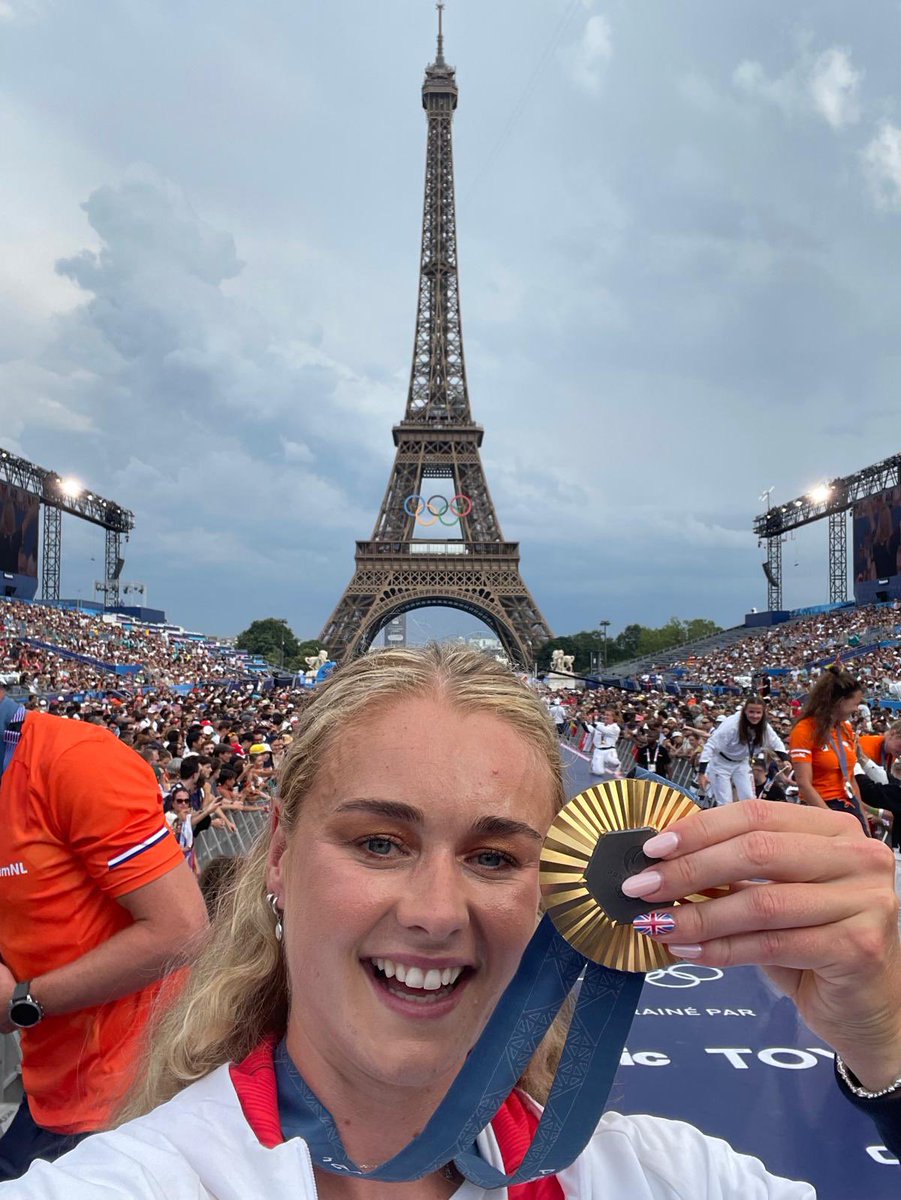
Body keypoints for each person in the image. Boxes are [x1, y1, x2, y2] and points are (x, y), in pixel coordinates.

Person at [2, 645, 900, 1198]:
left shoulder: (664, 1181)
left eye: (495, 857)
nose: (434, 913)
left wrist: (890, 1049)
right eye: (380, 843)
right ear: (278, 855)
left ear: (559, 889)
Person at [0, 704, 208, 1181]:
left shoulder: (74, 759)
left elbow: (181, 930)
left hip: (127, 1098)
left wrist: (22, 1002)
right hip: (50, 1088)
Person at [788, 666, 870, 835]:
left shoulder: (845, 728)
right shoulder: (805, 730)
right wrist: (830, 819)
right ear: (839, 701)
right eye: (854, 704)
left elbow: (850, 777)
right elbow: (804, 783)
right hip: (822, 807)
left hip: (848, 803)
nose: (856, 709)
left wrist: (862, 813)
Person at [697, 698, 788, 806]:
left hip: (741, 762)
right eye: (751, 712)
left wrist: (785, 759)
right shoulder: (731, 725)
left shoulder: (764, 727)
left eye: (758, 712)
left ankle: (748, 822)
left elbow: (775, 742)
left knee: (748, 797)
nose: (755, 716)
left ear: (763, 713)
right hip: (721, 762)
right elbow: (711, 744)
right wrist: (702, 772)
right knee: (725, 801)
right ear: (745, 711)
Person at [588, 706, 621, 777]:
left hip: (610, 750)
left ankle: (615, 764)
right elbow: (588, 729)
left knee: (614, 762)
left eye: (608, 715)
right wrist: (584, 722)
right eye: (605, 715)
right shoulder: (599, 724)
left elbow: (605, 731)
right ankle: (594, 763)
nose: (605, 717)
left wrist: (592, 723)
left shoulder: (616, 728)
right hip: (598, 750)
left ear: (613, 717)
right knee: (599, 772)